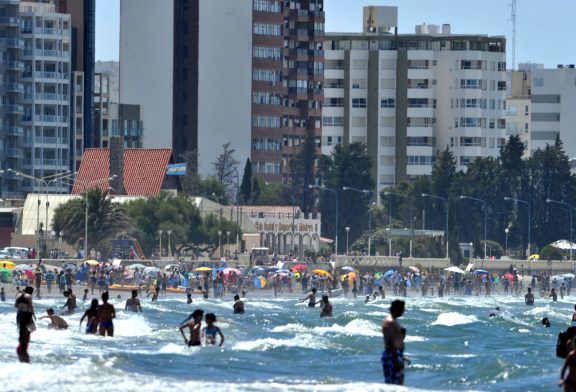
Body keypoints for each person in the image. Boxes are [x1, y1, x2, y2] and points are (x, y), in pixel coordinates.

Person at [382, 300, 406, 385]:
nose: (403, 311)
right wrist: (396, 358)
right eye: (402, 309)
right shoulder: (390, 322)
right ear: (396, 310)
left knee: (398, 383)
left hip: (394, 354)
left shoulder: (392, 321)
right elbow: (390, 342)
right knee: (394, 385)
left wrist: (401, 356)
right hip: (391, 356)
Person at [15, 286, 35, 363]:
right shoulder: (29, 296)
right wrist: (33, 314)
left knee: (21, 328)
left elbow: (16, 305)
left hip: (19, 313)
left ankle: (24, 338)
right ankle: (25, 338)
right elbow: (30, 305)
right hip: (26, 313)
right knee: (30, 329)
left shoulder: (19, 295)